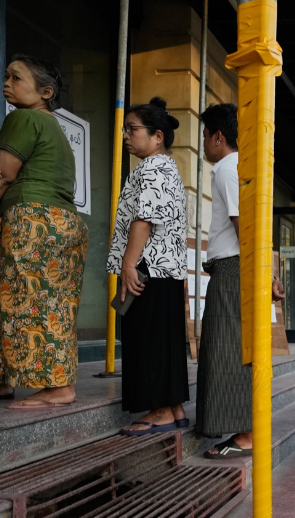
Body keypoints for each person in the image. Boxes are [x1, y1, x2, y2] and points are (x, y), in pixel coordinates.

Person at [0, 55, 88, 409]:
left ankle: (58, 388)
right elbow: (4, 168)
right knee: (45, 303)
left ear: (45, 92)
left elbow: (2, 176)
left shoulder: (23, 118)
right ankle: (5, 381)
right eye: (6, 77)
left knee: (30, 304)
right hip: (65, 224)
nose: (6, 83)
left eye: (16, 78)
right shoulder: (53, 128)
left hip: (34, 220)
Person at [107, 97, 188, 433]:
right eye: (125, 129)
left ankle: (159, 412)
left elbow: (144, 218)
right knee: (164, 340)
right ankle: (173, 407)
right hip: (164, 271)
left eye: (132, 129)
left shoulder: (153, 168)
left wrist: (128, 264)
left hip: (147, 269)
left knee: (148, 339)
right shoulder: (168, 168)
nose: (126, 135)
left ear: (157, 136)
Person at [192, 104, 253, 456]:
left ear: (219, 137)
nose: (202, 142)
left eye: (204, 135)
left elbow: (240, 224)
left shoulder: (228, 169)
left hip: (233, 270)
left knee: (225, 349)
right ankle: (243, 429)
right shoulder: (237, 169)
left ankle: (244, 433)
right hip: (232, 267)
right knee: (227, 347)